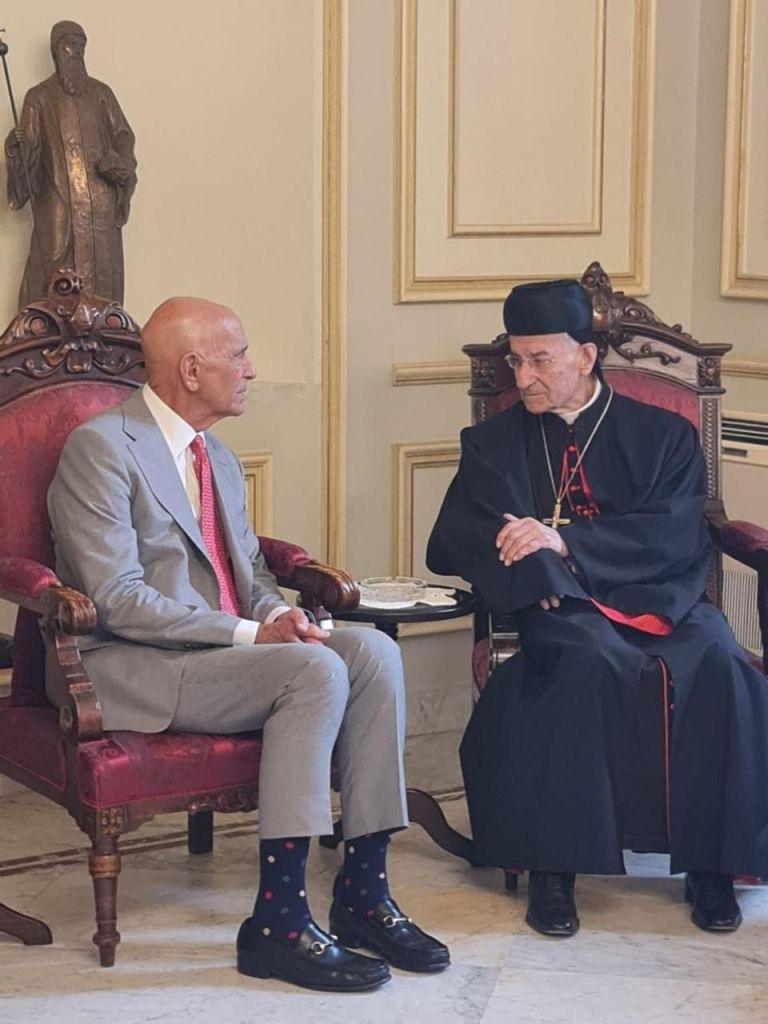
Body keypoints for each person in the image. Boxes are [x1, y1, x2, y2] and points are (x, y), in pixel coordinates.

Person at [47, 296, 449, 991]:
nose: (252, 370)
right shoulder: (101, 450)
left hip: (225, 656)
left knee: (372, 654)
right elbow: (116, 599)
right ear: (191, 369)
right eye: (239, 355)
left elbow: (251, 578)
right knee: (313, 673)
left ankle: (363, 894)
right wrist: (253, 633)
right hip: (137, 664)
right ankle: (279, 923)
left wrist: (280, 619)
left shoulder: (220, 460)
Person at [427, 278, 768, 938]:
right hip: (562, 606)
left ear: (585, 356)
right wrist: (538, 565)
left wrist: (565, 542)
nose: (523, 377)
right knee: (586, 661)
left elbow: (676, 532)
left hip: (665, 597)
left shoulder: (665, 434)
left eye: (540, 360)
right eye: (516, 361)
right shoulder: (493, 443)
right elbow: (460, 536)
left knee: (718, 660)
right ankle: (553, 869)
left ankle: (713, 866)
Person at [5, 21, 137, 307]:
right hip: (58, 202)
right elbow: (28, 149)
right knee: (51, 270)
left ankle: (105, 329)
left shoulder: (102, 94)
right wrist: (17, 150)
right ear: (57, 51)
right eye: (70, 45)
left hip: (100, 203)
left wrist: (120, 161)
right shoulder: (39, 97)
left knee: (103, 275)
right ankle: (43, 328)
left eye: (81, 45)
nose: (76, 51)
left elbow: (123, 136)